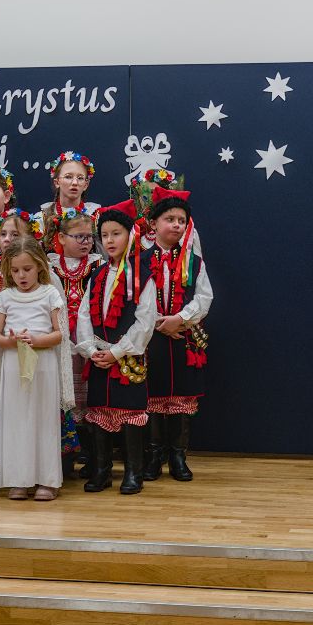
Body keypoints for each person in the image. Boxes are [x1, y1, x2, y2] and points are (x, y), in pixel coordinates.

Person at [75, 201, 157, 494]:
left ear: (130, 235)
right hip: (99, 357)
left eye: (116, 234)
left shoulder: (142, 276)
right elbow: (84, 315)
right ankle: (102, 470)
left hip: (127, 358)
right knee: (99, 414)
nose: (110, 240)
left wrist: (117, 352)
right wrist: (90, 350)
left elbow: (145, 322)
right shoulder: (97, 274)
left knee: (130, 414)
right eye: (105, 235)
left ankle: (134, 471)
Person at [0, 240, 74, 501]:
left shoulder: (50, 294)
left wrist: (36, 340)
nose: (21, 275)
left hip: (43, 363)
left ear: (39, 267)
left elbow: (59, 334)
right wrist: (11, 341)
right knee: (16, 420)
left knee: (43, 420)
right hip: (13, 365)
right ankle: (19, 479)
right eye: (15, 271)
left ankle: (47, 480)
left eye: (27, 269)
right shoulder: (5, 297)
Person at [142, 186, 212, 483]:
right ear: (154, 224)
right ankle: (153, 455)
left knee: (182, 397)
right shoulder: (139, 260)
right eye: (169, 219)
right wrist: (159, 322)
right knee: (152, 397)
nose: (176, 225)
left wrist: (180, 319)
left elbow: (204, 297)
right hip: (149, 338)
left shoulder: (194, 262)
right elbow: (135, 300)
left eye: (181, 220)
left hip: (183, 339)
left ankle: (178, 456)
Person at [48, 212, 105, 477]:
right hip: (60, 342)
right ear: (61, 238)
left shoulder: (97, 265)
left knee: (90, 401)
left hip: (88, 339)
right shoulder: (49, 266)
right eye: (79, 237)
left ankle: (94, 459)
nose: (86, 243)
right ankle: (65, 458)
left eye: (89, 237)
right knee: (64, 401)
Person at [38, 152, 101, 254]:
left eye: (80, 178)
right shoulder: (43, 218)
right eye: (68, 177)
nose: (75, 183)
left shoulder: (95, 216)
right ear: (57, 182)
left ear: (86, 184)